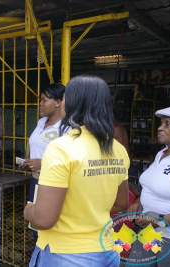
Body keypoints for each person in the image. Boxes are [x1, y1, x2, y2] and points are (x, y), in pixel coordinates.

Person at [23, 75, 130, 266]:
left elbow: (44, 219)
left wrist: (30, 210)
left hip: (65, 254)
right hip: (107, 250)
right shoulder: (117, 148)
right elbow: (121, 202)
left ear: (71, 103)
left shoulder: (61, 148)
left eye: (64, 98)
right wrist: (88, 214)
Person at [126, 106, 170, 266]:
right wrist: (139, 202)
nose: (160, 128)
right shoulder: (162, 154)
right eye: (161, 123)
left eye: (168, 124)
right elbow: (151, 187)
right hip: (149, 232)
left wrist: (160, 220)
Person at [19, 83, 66, 242]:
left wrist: (43, 164)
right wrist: (30, 162)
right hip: (36, 180)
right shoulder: (41, 122)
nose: (40, 103)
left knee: (50, 227)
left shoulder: (66, 128)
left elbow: (68, 160)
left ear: (58, 102)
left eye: (44, 100)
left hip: (53, 184)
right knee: (35, 228)